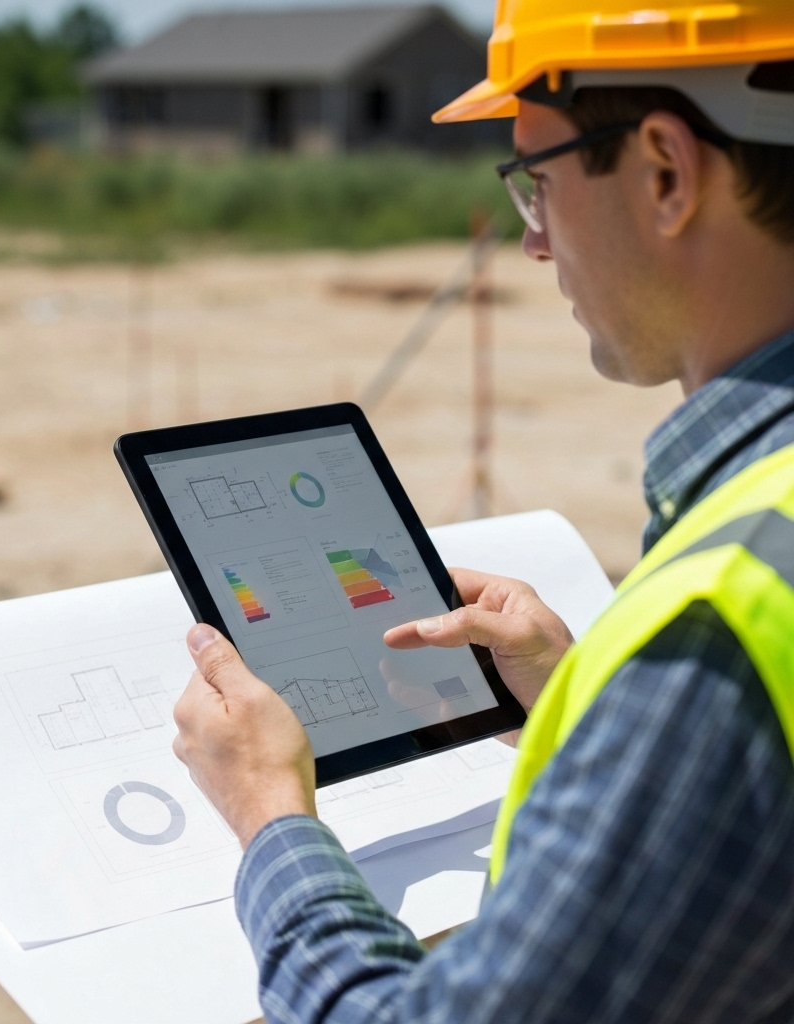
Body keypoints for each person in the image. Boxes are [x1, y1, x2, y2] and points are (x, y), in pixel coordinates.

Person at [172, 3, 794, 1021]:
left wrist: (271, 816)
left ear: (665, 173)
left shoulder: (725, 622)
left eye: (535, 184)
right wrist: (579, 698)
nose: (533, 244)